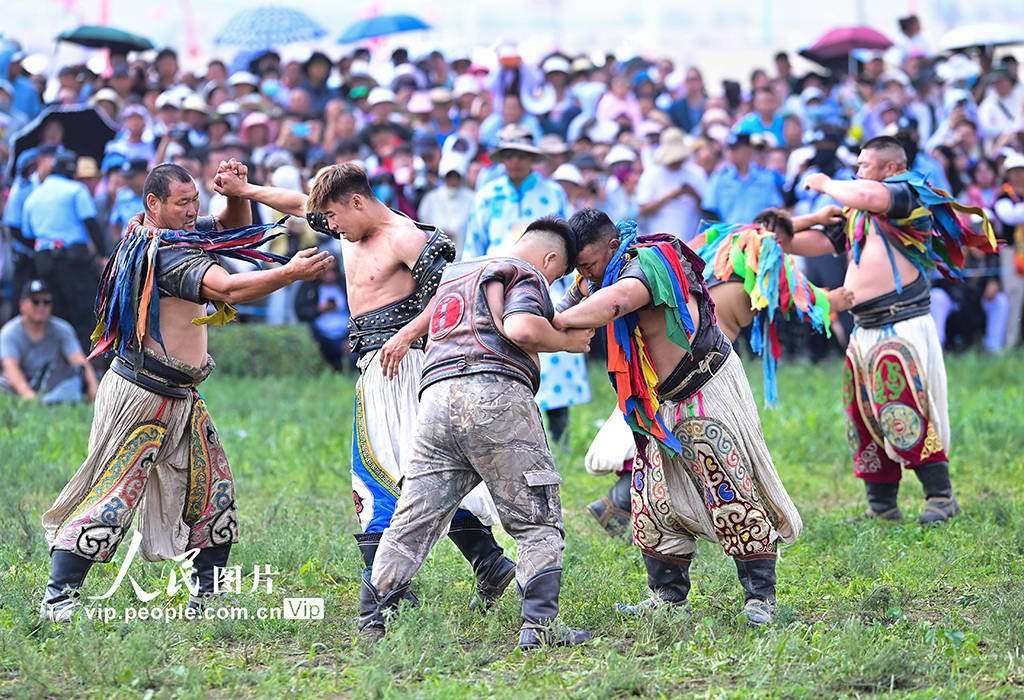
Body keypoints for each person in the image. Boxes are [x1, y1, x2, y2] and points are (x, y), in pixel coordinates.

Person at [214, 162, 517, 612]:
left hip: (410, 366)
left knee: (382, 471)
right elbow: (298, 205)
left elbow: (455, 291)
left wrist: (408, 333)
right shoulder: (347, 227)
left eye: (334, 217)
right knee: (417, 472)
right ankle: (485, 561)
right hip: (377, 368)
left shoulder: (406, 236)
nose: (329, 228)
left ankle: (388, 593)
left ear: (357, 201)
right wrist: (246, 189)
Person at [38, 161, 333, 622]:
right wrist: (288, 274)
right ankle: (58, 597)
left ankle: (206, 598)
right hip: (142, 395)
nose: (193, 210)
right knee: (111, 496)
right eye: (183, 203)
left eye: (196, 200)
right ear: (153, 204)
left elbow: (233, 231)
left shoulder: (174, 236)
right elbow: (230, 289)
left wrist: (236, 193)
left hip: (180, 395)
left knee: (213, 491)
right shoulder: (166, 253)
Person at [556, 208, 803, 626]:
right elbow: (575, 298)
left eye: (588, 264)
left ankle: (760, 598)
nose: (586, 275)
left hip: (702, 386)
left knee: (727, 487)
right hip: (659, 401)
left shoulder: (648, 263)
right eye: (580, 268)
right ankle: (668, 597)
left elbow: (614, 303)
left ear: (612, 247)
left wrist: (554, 322)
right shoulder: (599, 274)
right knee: (653, 500)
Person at [359, 217, 594, 649]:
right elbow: (521, 328)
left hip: (433, 402)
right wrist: (565, 343)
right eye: (558, 274)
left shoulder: (458, 272)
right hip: (494, 396)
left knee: (412, 519)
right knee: (536, 519)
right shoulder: (523, 273)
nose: (553, 281)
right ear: (550, 259)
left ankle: (373, 619)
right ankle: (538, 627)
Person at [583, 209, 854, 538]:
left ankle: (619, 505)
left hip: (660, 362)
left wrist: (814, 218)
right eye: (784, 244)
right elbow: (799, 298)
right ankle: (625, 504)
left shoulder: (726, 245)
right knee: (680, 446)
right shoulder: (765, 257)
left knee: (654, 438)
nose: (785, 249)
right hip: (699, 371)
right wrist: (836, 299)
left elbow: (768, 227)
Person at [787, 136, 998, 524]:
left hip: (900, 325)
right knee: (863, 416)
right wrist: (789, 229)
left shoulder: (908, 196)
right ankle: (882, 506)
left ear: (892, 169)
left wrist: (824, 183)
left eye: (865, 165)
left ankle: (941, 496)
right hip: (864, 329)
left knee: (902, 409)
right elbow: (811, 243)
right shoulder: (858, 214)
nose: (858, 171)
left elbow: (869, 195)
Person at [464, 124, 590, 443]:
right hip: (497, 285)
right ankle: (513, 432)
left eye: (522, 155)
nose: (516, 161)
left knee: (554, 353)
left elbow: (568, 240)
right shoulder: (488, 195)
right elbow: (474, 243)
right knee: (504, 349)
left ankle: (559, 437)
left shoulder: (552, 192)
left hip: (546, 283)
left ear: (533, 159)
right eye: (510, 155)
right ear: (502, 159)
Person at [21, 149, 109, 353]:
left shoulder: (34, 195)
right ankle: (86, 366)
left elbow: (28, 231)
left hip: (44, 260)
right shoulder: (75, 189)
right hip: (73, 260)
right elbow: (90, 222)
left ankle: (59, 362)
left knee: (55, 313)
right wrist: (104, 255)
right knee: (83, 314)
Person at [1, 279, 98, 404]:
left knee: (73, 383)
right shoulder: (10, 331)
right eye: (35, 302)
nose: (41, 306)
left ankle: (51, 401)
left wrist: (94, 388)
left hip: (52, 382)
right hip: (20, 383)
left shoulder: (63, 329)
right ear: (22, 306)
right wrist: (29, 396)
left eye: (46, 302)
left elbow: (80, 361)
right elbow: (10, 367)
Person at [636, 127, 706, 243]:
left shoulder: (696, 173)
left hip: (691, 241)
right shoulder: (651, 175)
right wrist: (672, 195)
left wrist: (692, 193)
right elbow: (643, 210)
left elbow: (706, 209)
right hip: (659, 244)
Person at [703, 132, 783, 224]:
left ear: (749, 150)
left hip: (758, 234)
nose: (732, 153)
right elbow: (710, 211)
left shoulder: (766, 179)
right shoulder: (718, 179)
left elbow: (775, 208)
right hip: (728, 234)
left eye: (736, 149)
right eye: (730, 149)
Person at [993, 152, 1024, 350]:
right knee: (1013, 296)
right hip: (1011, 252)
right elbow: (1010, 216)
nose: (1019, 175)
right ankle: (1009, 343)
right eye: (1015, 171)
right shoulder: (1004, 195)